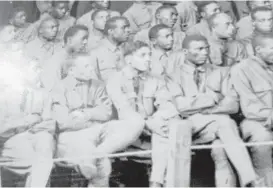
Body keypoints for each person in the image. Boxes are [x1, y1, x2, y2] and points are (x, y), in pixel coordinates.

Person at [166, 34, 260, 187]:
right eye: (199, 49)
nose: (205, 52)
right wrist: (212, 98)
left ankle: (248, 180)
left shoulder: (222, 72)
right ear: (185, 52)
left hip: (215, 127)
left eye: (207, 48)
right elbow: (181, 106)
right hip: (190, 129)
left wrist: (203, 110)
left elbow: (233, 105)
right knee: (224, 122)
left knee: (220, 148)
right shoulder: (173, 76)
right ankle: (250, 179)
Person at [51, 54, 144, 187]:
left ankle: (96, 153)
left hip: (97, 131)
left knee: (137, 122)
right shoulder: (59, 88)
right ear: (71, 71)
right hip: (71, 136)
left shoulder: (97, 85)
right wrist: (93, 119)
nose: (92, 70)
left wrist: (86, 114)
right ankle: (94, 156)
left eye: (92, 66)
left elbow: (106, 113)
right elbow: (63, 122)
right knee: (102, 167)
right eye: (87, 66)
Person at [0, 58, 56, 187]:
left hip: (37, 137)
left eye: (38, 69)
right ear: (21, 71)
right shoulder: (4, 96)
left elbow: (49, 124)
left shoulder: (44, 95)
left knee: (45, 140)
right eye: (33, 69)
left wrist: (36, 125)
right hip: (13, 141)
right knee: (41, 162)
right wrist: (25, 121)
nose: (37, 72)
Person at [230, 33, 273, 187]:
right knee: (263, 138)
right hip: (254, 120)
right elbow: (250, 108)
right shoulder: (241, 69)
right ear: (259, 49)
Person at [40, 24, 91, 91]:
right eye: (83, 38)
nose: (85, 42)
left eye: (86, 39)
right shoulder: (56, 60)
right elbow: (52, 89)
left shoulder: (81, 58)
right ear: (70, 40)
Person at [89, 16, 130, 82]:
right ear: (110, 31)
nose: (128, 30)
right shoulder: (95, 52)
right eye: (123, 28)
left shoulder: (128, 48)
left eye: (128, 27)